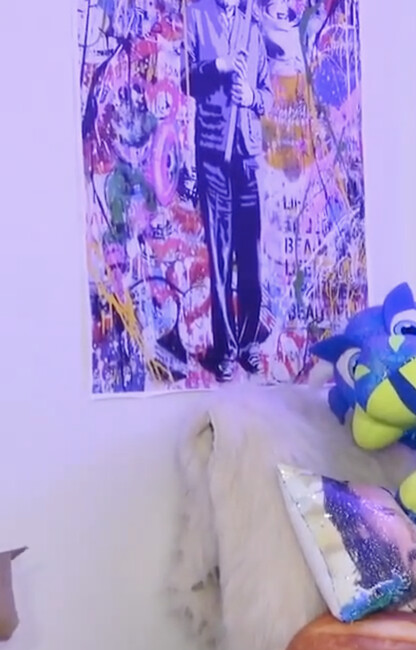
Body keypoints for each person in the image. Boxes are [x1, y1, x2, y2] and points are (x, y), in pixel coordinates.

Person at [187, 0, 281, 380]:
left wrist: (251, 97)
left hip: (247, 154)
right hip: (213, 153)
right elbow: (186, 80)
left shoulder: (251, 26)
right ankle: (225, 350)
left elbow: (267, 94)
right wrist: (218, 66)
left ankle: (247, 344)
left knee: (251, 258)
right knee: (220, 257)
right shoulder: (197, 15)